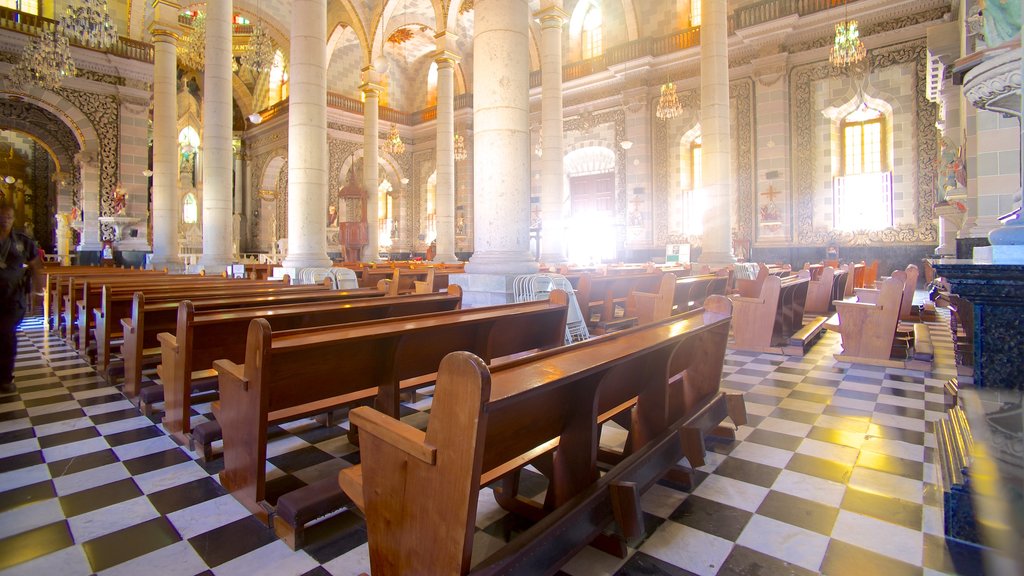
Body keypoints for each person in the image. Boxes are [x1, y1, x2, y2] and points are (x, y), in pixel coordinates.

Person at [0, 201, 44, 395]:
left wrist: (38, 286)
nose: (5, 221)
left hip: (13, 297)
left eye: (8, 217)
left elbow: (35, 264)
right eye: (1, 217)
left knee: (7, 336)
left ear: (13, 218)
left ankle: (6, 377)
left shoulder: (22, 241)